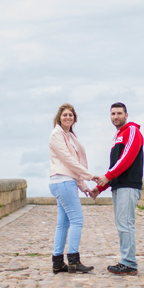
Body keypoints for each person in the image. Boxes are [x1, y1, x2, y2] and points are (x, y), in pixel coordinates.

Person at [92, 102, 144, 275]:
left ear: (126, 115)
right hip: (119, 187)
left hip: (129, 186)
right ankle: (126, 260)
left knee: (125, 224)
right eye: (113, 114)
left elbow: (127, 159)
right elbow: (115, 166)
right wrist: (100, 188)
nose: (116, 116)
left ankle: (129, 262)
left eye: (119, 113)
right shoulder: (118, 137)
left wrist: (107, 177)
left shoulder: (132, 131)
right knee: (122, 224)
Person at [48, 103, 97, 274]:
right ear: (59, 118)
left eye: (70, 115)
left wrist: (84, 186)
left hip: (63, 181)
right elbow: (69, 161)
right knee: (77, 220)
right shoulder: (56, 135)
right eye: (65, 115)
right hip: (63, 181)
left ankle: (57, 262)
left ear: (74, 118)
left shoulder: (69, 136)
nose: (68, 117)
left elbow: (72, 168)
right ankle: (74, 261)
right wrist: (90, 176)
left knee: (63, 224)